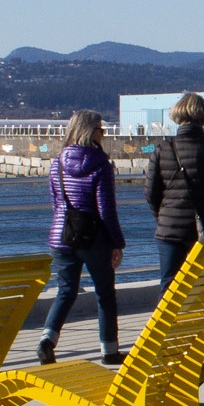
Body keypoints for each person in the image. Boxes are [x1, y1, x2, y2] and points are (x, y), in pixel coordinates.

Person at [39, 109, 127, 366]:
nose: (104, 134)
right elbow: (106, 210)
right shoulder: (101, 165)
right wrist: (117, 243)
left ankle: (47, 340)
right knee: (105, 294)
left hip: (61, 235)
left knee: (66, 291)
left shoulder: (57, 163)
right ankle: (109, 351)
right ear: (91, 132)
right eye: (101, 130)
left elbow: (56, 203)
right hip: (94, 238)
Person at [145, 91, 204, 288]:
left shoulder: (163, 149)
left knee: (169, 284)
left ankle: (167, 311)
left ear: (177, 115)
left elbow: (151, 192)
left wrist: (164, 217)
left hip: (169, 230)